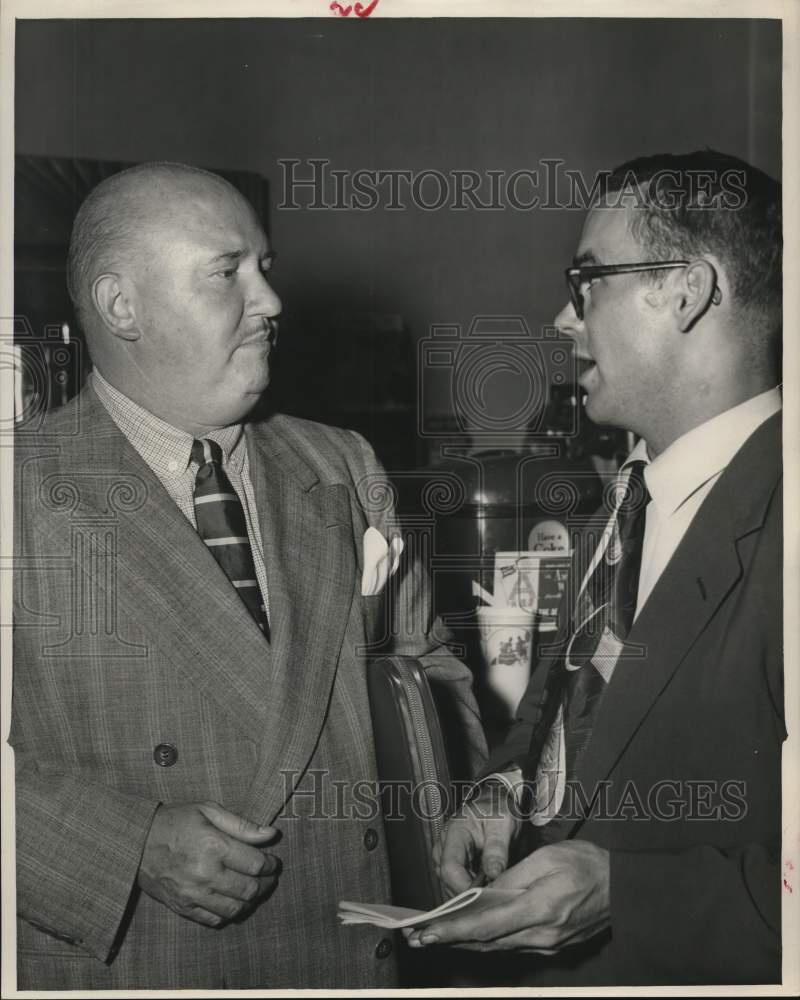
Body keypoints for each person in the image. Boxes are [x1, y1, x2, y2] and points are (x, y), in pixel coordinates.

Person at [11, 161, 486, 990]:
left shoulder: (341, 463)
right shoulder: (18, 491)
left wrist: (454, 810)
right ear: (123, 305)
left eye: (265, 268)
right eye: (227, 272)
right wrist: (129, 846)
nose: (270, 301)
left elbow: (431, 665)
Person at [405, 150, 783, 986]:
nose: (564, 319)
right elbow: (563, 703)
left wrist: (628, 894)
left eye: (589, 282)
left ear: (686, 288)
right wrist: (501, 790)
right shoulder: (629, 496)